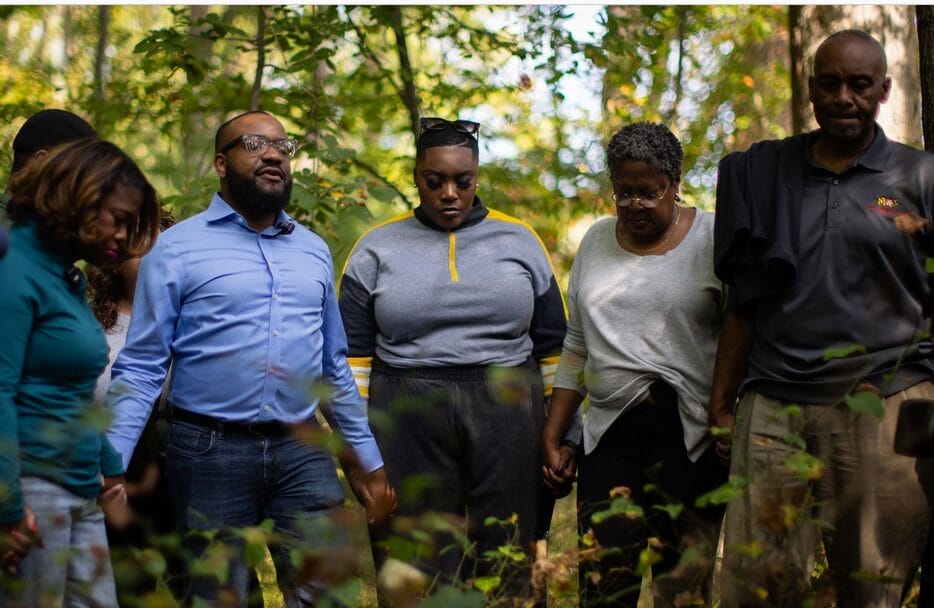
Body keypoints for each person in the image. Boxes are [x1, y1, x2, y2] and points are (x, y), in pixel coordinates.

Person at [105, 110, 395, 607]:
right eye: (256, 143)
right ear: (222, 162)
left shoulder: (313, 251)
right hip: (206, 451)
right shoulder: (175, 249)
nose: (274, 154)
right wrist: (112, 459)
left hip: (303, 449)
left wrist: (367, 458)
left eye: (284, 147)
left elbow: (333, 366)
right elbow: (143, 364)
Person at [711, 30, 934, 606]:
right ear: (811, 90)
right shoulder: (767, 172)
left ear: (884, 90)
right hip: (773, 403)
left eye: (859, 85)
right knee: (755, 586)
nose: (844, 97)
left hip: (884, 398)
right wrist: (722, 399)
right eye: (829, 84)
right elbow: (745, 296)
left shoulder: (919, 178)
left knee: (872, 585)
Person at [339, 116, 573, 604]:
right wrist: (359, 447)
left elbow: (554, 347)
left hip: (507, 410)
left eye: (462, 181)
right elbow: (352, 359)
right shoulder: (376, 248)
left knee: (508, 548)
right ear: (417, 178)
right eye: (435, 181)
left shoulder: (520, 241)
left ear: (477, 178)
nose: (449, 193)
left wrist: (562, 433)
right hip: (407, 409)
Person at [541, 122, 727, 607]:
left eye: (649, 192)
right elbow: (577, 343)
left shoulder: (713, 236)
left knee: (681, 587)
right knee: (604, 585)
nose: (635, 205)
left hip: (689, 436)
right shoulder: (596, 242)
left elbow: (740, 335)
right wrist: (555, 433)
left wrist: (728, 416)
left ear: (675, 182)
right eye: (624, 193)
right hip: (609, 436)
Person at [0, 138, 160, 606]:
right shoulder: (13, 270)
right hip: (31, 491)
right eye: (120, 220)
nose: (125, 239)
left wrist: (109, 468)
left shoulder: (66, 277)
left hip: (80, 487)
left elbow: (73, 392)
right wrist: (8, 510)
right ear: (80, 198)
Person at [87, 210, 175, 603]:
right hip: (115, 475)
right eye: (142, 246)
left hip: (183, 469)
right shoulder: (91, 326)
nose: (155, 256)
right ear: (116, 258)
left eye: (162, 245)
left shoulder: (195, 323)